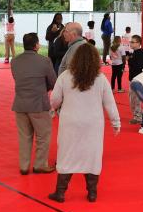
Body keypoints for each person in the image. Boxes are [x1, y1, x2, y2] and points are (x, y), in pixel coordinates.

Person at [48, 43, 120, 203]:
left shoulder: (65, 76)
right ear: (95, 59)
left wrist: (52, 109)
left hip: (70, 122)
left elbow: (54, 99)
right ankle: (92, 193)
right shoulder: (100, 79)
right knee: (92, 156)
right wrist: (116, 122)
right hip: (93, 123)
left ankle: (60, 193)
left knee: (67, 155)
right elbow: (109, 103)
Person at [11, 32, 57, 175]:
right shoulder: (45, 61)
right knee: (43, 136)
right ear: (36, 45)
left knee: (24, 137)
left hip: (20, 104)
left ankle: (24, 166)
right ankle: (40, 164)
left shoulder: (15, 61)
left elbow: (18, 79)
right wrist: (43, 88)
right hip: (38, 104)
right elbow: (53, 82)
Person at [127, 35, 143, 124]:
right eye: (130, 42)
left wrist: (130, 60)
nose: (130, 43)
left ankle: (138, 116)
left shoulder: (139, 54)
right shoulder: (137, 52)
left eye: (133, 42)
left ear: (138, 43)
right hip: (135, 78)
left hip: (137, 79)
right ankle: (139, 114)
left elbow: (138, 66)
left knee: (135, 99)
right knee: (134, 98)